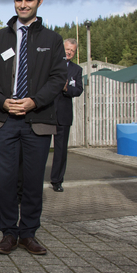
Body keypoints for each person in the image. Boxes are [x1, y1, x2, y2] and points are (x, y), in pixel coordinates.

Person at [0, 0, 66, 256]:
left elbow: (58, 78)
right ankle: (8, 232)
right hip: (4, 119)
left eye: (29, 0)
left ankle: (28, 233)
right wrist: (1, 100)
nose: (23, 5)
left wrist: (34, 101)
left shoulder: (52, 40)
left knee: (32, 180)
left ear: (39, 2)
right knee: (4, 180)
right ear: (14, 1)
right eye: (19, 0)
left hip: (37, 119)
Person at [50, 38, 84, 192]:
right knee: (38, 149)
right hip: (47, 113)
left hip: (64, 115)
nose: (69, 52)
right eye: (67, 49)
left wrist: (66, 89)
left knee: (61, 150)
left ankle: (57, 180)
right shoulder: (51, 64)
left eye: (72, 50)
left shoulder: (77, 70)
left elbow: (78, 90)